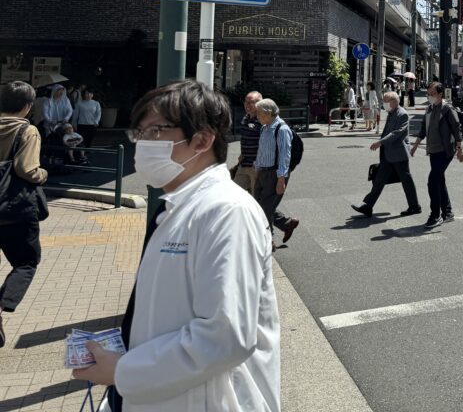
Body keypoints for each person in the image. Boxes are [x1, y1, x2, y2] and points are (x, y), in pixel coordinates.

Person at [72, 80, 279, 409]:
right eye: (138, 133)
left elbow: (224, 337)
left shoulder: (227, 211)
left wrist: (124, 371)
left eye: (154, 132)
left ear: (201, 140)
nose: (141, 144)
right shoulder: (175, 209)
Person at [0, 81, 47, 349]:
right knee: (26, 262)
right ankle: (2, 306)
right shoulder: (27, 131)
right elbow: (26, 169)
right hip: (15, 210)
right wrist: (43, 174)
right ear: (27, 106)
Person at [352, 91, 421, 218]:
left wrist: (380, 142)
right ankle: (368, 206)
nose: (384, 104)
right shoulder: (391, 113)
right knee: (379, 180)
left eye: (386, 101)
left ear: (394, 102)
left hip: (399, 153)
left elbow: (397, 133)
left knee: (406, 180)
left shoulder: (402, 114)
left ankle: (414, 206)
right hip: (388, 154)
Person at [409, 83, 463, 228]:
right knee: (439, 179)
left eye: (432, 93)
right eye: (428, 93)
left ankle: (436, 215)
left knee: (432, 180)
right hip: (433, 150)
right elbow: (423, 129)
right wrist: (415, 146)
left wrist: (460, 149)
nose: (429, 96)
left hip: (445, 151)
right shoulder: (429, 109)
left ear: (440, 94)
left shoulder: (447, 109)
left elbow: (456, 128)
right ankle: (448, 212)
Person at [252, 99, 300, 248]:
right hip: (262, 172)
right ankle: (286, 224)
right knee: (259, 205)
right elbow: (263, 151)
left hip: (275, 173)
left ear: (267, 113)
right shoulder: (265, 127)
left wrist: (281, 179)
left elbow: (285, 155)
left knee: (265, 208)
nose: (256, 116)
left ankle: (267, 241)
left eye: (258, 113)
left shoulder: (282, 129)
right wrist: (256, 168)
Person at [232, 91, 263, 196]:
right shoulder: (245, 118)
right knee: (233, 193)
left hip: (256, 166)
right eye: (246, 102)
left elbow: (268, 143)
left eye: (251, 102)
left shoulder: (263, 120)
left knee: (256, 198)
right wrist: (242, 153)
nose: (247, 105)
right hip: (244, 163)